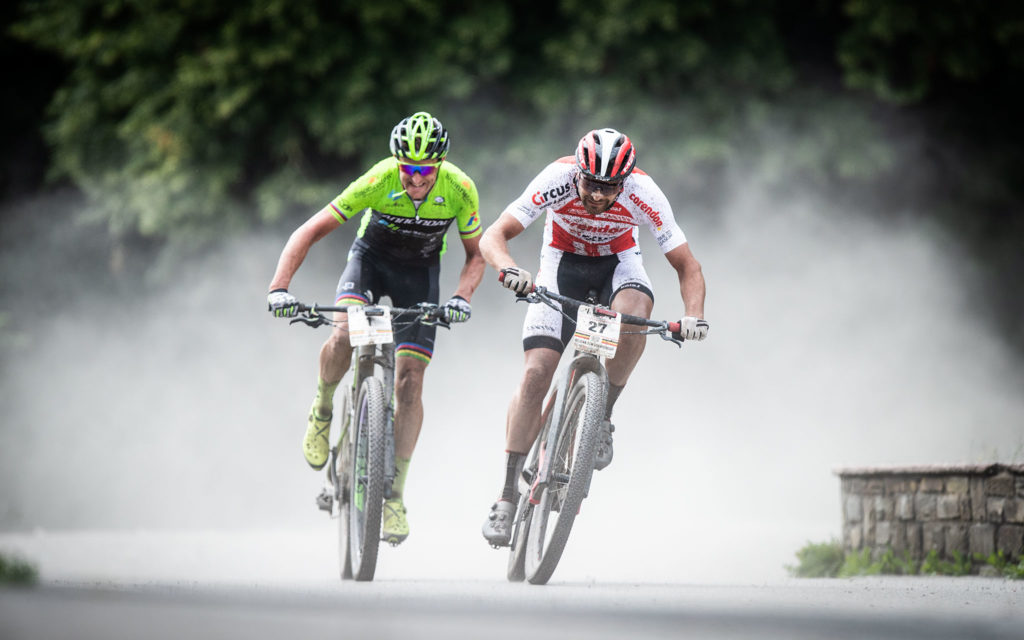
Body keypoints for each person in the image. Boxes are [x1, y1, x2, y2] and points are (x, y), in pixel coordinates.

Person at [478, 127, 709, 547]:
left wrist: (694, 315)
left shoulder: (645, 192)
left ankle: (601, 418)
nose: (599, 195)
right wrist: (509, 268)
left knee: (635, 317)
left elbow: (687, 265)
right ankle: (507, 494)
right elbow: (493, 235)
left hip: (618, 267)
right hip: (560, 267)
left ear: (626, 181)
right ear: (578, 173)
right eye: (591, 184)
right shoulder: (556, 178)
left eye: (610, 187)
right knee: (535, 377)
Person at [267, 111, 485, 545]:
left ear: (439, 165)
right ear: (397, 163)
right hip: (371, 263)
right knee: (345, 333)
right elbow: (309, 231)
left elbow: (476, 254)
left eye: (425, 171)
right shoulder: (378, 180)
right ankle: (323, 407)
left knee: (411, 381)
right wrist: (279, 288)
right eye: (408, 170)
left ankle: (394, 497)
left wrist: (462, 298)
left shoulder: (460, 188)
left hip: (420, 274)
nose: (416, 180)